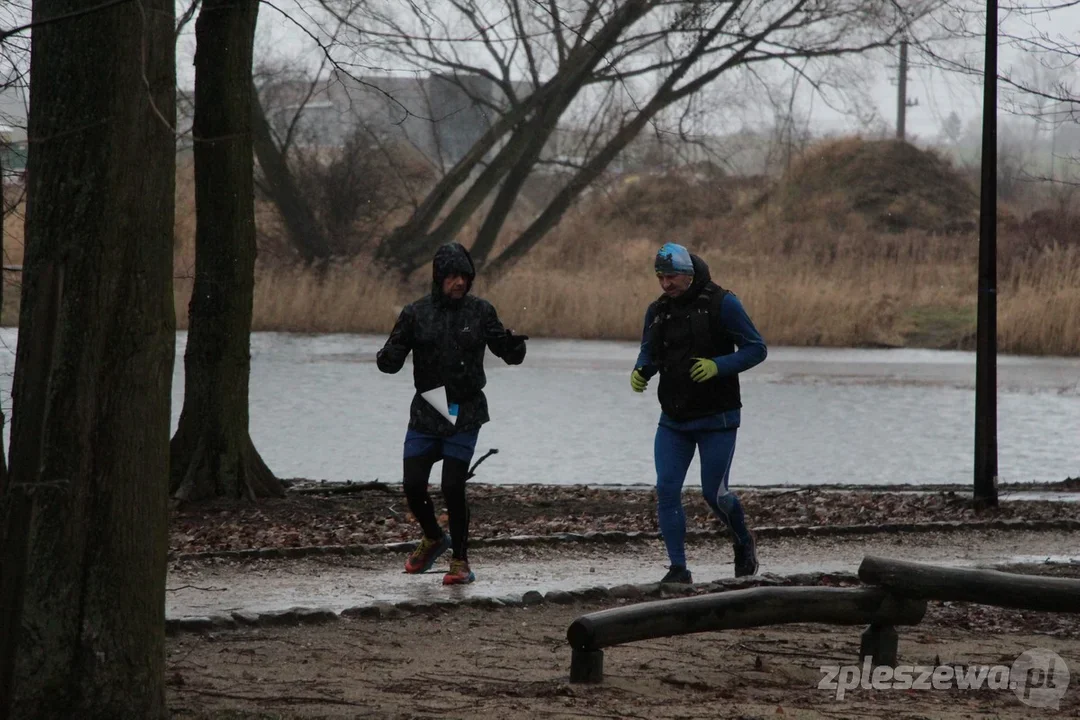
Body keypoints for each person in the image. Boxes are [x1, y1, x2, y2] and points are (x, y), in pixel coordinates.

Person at [377, 242, 527, 585]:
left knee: (452, 485)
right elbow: (391, 360)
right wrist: (386, 357)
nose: (459, 282)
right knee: (413, 484)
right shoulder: (415, 314)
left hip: (466, 411)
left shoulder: (481, 312)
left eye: (465, 276)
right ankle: (433, 538)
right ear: (438, 278)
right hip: (429, 407)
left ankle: (460, 561)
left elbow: (508, 352)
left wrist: (515, 347)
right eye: (452, 276)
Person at [631, 242, 767, 584]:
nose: (666, 284)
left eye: (671, 277)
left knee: (715, 494)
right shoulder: (658, 310)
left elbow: (756, 349)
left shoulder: (723, 303)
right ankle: (678, 568)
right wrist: (640, 371)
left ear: (689, 274)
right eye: (660, 277)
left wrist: (717, 366)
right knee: (666, 489)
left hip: (717, 419)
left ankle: (742, 540)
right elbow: (648, 351)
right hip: (673, 420)